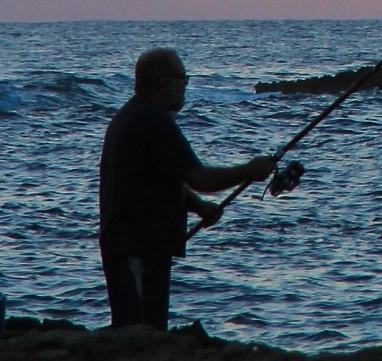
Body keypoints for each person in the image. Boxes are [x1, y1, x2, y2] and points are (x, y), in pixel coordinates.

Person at [98, 46, 277, 330]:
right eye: (183, 78)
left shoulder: (132, 116)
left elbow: (158, 179)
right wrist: (250, 171)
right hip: (135, 249)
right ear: (162, 84)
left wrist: (197, 206)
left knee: (147, 328)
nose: (185, 86)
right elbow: (200, 178)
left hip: (138, 248)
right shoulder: (153, 122)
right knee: (137, 334)